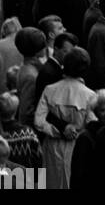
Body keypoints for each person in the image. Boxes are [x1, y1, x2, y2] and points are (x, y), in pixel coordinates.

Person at [34, 45, 97, 189]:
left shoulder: (50, 90)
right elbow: (91, 124)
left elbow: (38, 122)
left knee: (50, 183)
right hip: (77, 146)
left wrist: (57, 131)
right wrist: (75, 132)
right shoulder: (90, 95)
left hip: (52, 146)